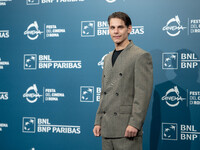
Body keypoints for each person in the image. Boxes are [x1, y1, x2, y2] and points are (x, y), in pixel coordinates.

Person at [93, 12, 153, 150]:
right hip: (107, 129)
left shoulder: (140, 56)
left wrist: (135, 123)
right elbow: (105, 93)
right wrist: (98, 121)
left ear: (129, 29)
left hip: (127, 129)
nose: (116, 32)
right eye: (112, 28)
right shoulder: (107, 58)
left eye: (120, 27)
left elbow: (142, 94)